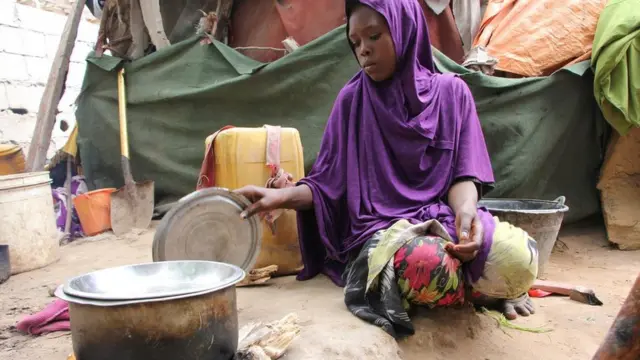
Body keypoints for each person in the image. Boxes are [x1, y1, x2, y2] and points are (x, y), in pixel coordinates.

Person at [236, 0, 538, 338]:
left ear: (404, 28)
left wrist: (466, 217)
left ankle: (476, 283)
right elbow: (327, 185)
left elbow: (463, 174)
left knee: (522, 255)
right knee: (426, 265)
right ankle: (480, 287)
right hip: (383, 231)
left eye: (374, 36)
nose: (363, 50)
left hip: (444, 219)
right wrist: (279, 197)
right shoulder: (352, 101)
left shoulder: (453, 94)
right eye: (355, 43)